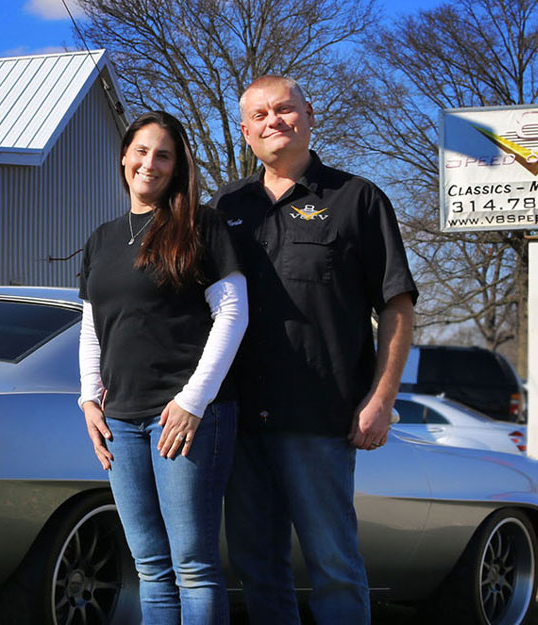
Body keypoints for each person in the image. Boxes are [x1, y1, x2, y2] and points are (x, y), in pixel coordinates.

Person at [211, 76, 417, 624]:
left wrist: (381, 399)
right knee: (256, 566)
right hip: (238, 421)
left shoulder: (358, 199)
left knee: (334, 566)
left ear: (310, 115)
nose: (273, 121)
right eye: (259, 115)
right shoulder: (226, 208)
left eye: (285, 109)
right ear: (245, 132)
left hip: (321, 419)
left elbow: (397, 307)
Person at [78, 110, 247, 624]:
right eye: (142, 151)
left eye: (164, 155)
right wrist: (88, 396)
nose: (150, 163)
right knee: (150, 567)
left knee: (192, 565)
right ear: (124, 156)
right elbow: (93, 323)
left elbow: (234, 312)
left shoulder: (201, 225)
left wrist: (194, 401)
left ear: (177, 167)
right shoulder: (101, 239)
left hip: (184, 416)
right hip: (122, 421)